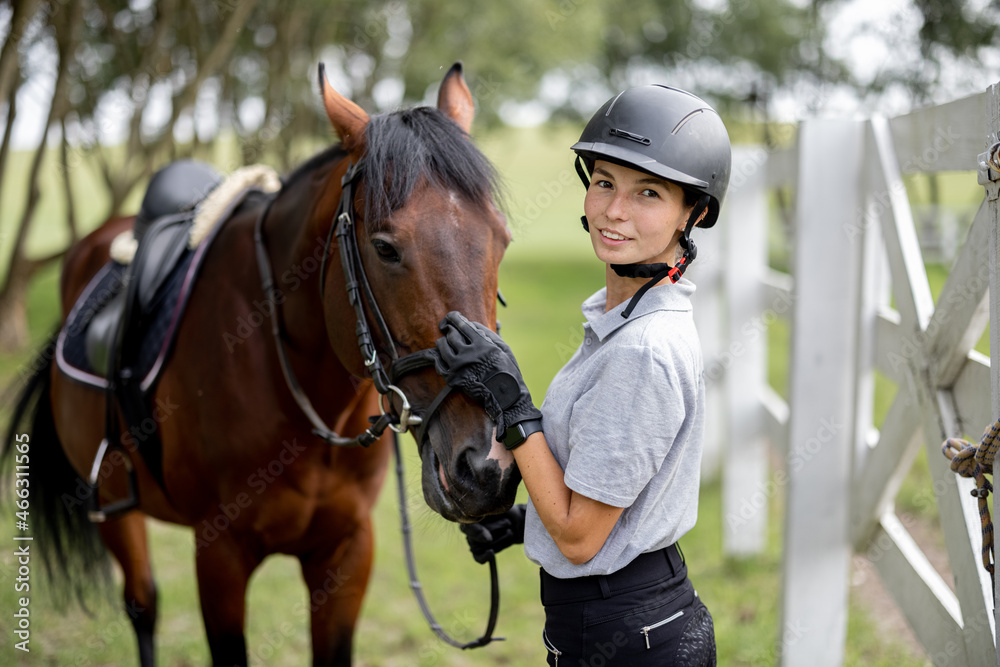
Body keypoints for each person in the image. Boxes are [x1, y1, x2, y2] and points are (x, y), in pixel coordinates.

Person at [434, 84, 731, 666]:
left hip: (630, 634)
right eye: (604, 183)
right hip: (612, 619)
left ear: (691, 214)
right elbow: (607, 495)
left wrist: (511, 400)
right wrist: (523, 525)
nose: (615, 211)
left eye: (648, 193)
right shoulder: (622, 322)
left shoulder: (642, 349)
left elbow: (579, 536)